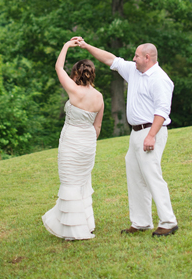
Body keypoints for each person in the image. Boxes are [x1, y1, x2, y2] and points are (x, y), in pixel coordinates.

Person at [76, 38, 179, 237]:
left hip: (151, 132)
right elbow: (111, 60)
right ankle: (141, 222)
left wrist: (150, 136)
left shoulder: (160, 79)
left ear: (147, 58)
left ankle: (168, 221)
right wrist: (86, 46)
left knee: (152, 175)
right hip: (136, 133)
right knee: (135, 175)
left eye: (137, 56)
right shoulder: (134, 70)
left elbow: (162, 111)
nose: (133, 59)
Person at [42, 38, 104, 240]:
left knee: (69, 183)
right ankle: (86, 222)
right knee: (82, 183)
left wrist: (66, 45)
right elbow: (98, 126)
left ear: (76, 74)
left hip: (71, 142)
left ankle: (73, 229)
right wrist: (88, 143)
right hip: (88, 143)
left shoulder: (73, 90)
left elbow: (58, 66)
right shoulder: (99, 98)